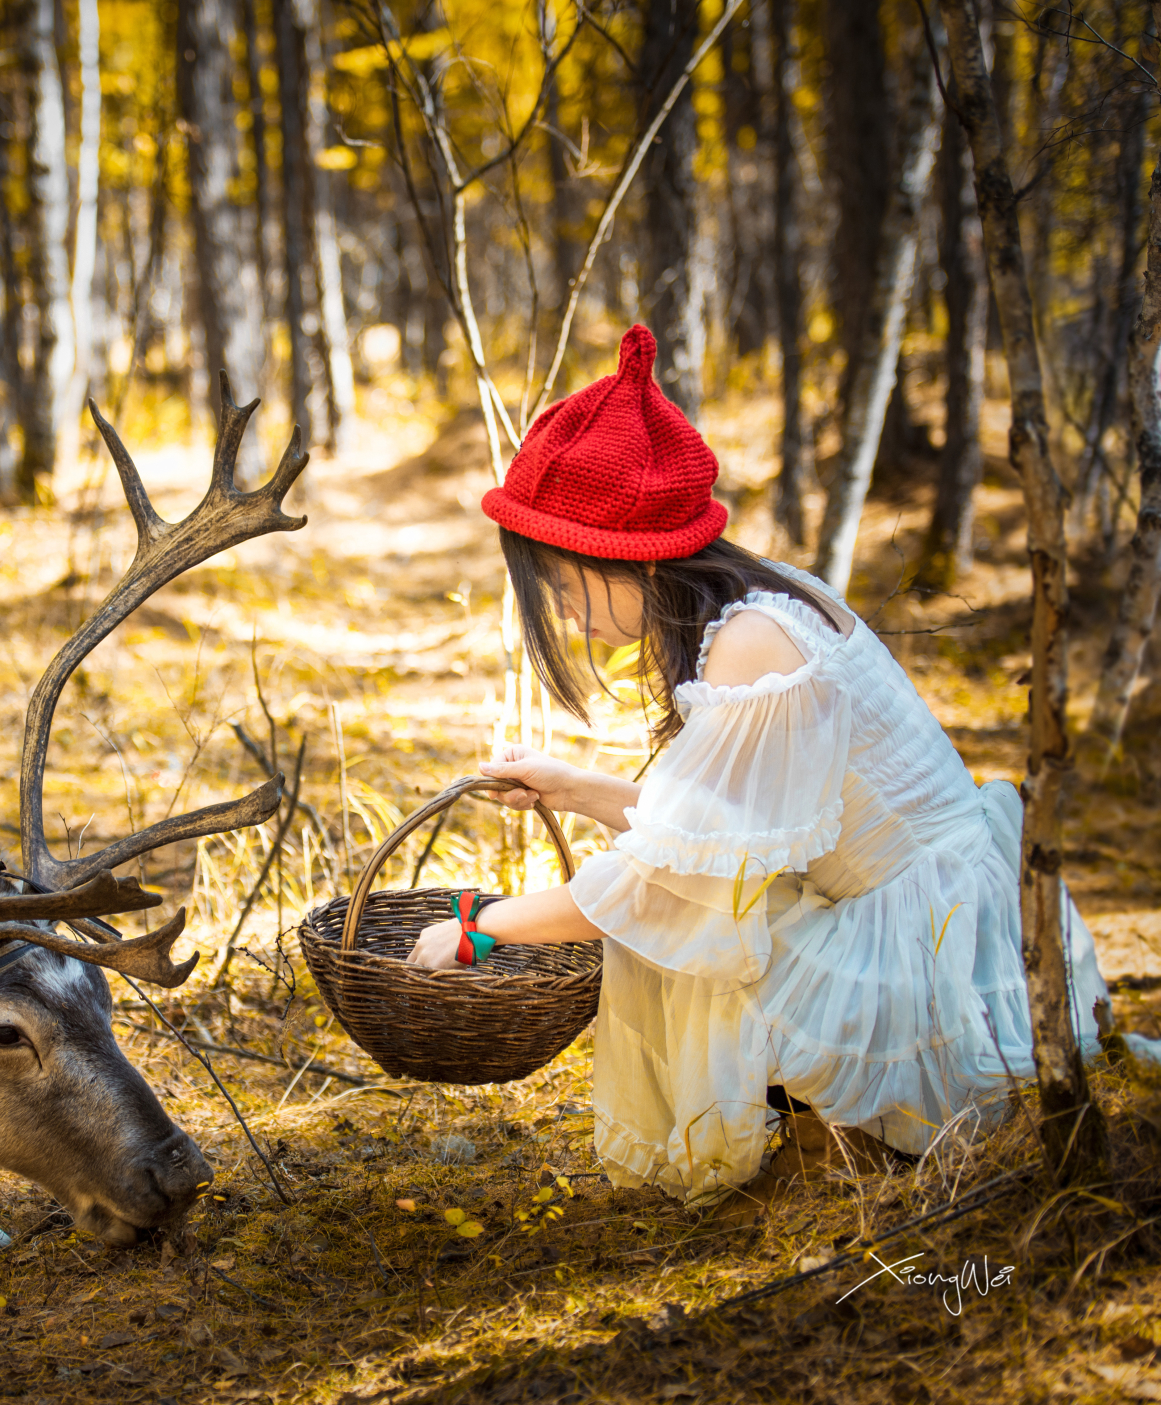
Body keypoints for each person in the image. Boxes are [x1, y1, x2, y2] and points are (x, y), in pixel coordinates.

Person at [405, 324, 1110, 1211]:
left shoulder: (753, 646)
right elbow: (727, 841)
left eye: (559, 580)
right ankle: (823, 1126)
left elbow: (666, 885)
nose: (565, 611)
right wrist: (581, 791)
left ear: (616, 557)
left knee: (683, 943)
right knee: (697, 918)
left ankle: (830, 1133)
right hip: (930, 909)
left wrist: (482, 927)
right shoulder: (762, 595)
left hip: (925, 954)